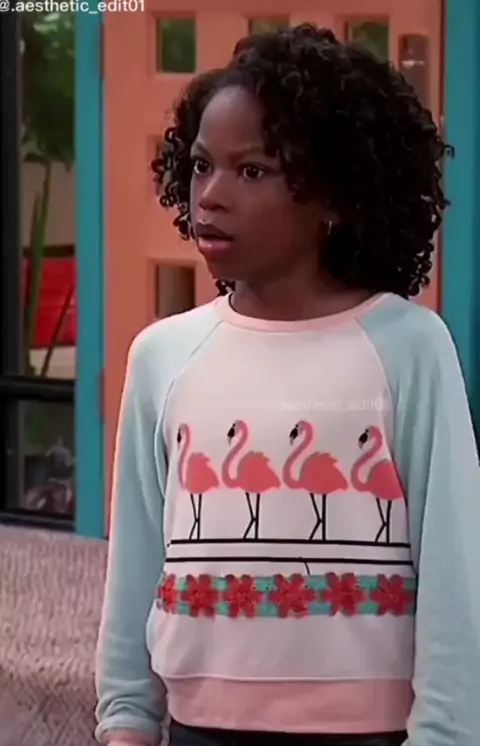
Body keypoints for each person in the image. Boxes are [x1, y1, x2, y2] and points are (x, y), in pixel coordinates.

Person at [95, 23, 480, 746]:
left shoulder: (409, 348)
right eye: (201, 166)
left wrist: (446, 734)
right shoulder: (163, 356)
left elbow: (455, 567)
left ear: (333, 194)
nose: (210, 196)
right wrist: (125, 719)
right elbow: (136, 562)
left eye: (252, 171)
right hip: (198, 729)